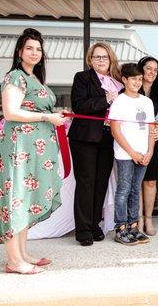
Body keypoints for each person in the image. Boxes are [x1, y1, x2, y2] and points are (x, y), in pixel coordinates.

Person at [0, 28, 66, 274]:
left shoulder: (33, 78)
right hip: (19, 148)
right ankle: (14, 260)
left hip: (33, 149)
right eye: (29, 48)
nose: (34, 52)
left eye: (38, 49)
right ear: (20, 52)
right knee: (16, 199)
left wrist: (53, 116)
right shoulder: (15, 76)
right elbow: (11, 112)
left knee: (25, 199)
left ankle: (22, 254)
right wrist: (47, 116)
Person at [69, 42, 121, 246]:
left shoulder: (117, 81)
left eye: (105, 57)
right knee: (86, 183)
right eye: (97, 57)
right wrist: (105, 100)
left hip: (108, 137)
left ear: (111, 60)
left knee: (101, 183)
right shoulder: (82, 78)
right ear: (90, 60)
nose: (101, 60)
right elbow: (79, 106)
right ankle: (82, 230)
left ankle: (94, 224)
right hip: (85, 138)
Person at [109, 63, 155, 245]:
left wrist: (150, 151)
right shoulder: (119, 101)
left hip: (143, 154)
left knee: (136, 190)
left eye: (139, 78)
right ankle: (121, 228)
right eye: (133, 78)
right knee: (124, 190)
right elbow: (115, 131)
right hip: (126, 154)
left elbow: (152, 129)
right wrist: (132, 152)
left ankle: (133, 227)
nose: (137, 82)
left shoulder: (147, 102)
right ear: (124, 80)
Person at [137, 57, 158, 236]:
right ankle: (138, 219)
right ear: (141, 69)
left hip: (155, 141)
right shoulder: (133, 87)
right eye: (148, 68)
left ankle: (148, 218)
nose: (151, 72)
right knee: (136, 182)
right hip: (135, 141)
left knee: (150, 180)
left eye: (155, 69)